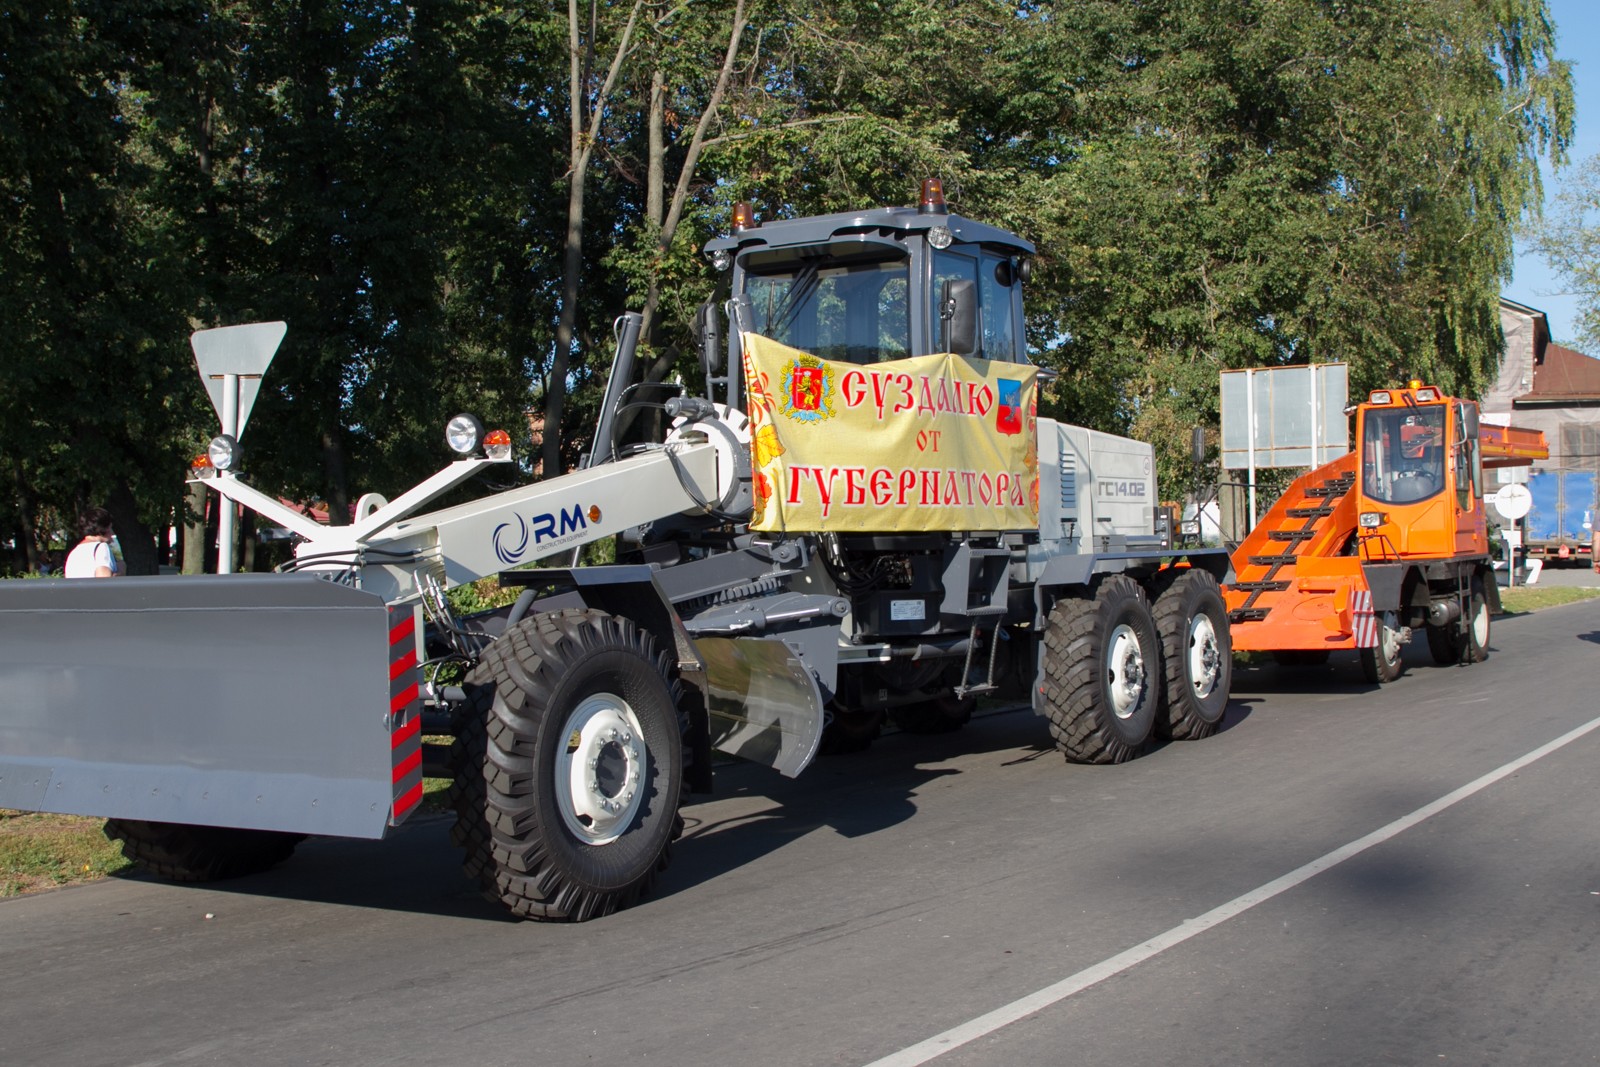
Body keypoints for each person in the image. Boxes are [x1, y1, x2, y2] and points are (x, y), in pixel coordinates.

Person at [64, 507, 119, 578]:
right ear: (103, 528)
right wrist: (121, 571)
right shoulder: (101, 547)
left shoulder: (74, 553)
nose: (112, 533)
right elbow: (104, 582)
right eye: (110, 528)